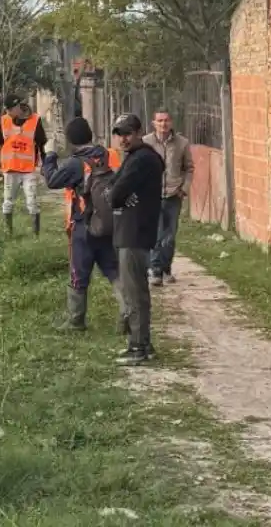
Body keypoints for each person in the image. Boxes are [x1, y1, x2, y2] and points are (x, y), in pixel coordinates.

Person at [41, 117, 122, 332]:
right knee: (113, 269)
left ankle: (76, 320)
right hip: (109, 221)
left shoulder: (74, 163)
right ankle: (128, 312)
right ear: (90, 133)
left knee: (79, 271)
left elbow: (51, 181)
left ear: (70, 140)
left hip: (84, 223)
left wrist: (49, 154)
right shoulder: (109, 154)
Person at [104, 113, 164, 366]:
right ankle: (142, 343)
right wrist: (115, 193)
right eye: (119, 133)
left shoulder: (143, 159)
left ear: (139, 132)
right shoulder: (134, 157)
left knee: (136, 293)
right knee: (134, 291)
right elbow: (112, 187)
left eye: (127, 133)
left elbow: (114, 194)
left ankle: (139, 345)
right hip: (130, 231)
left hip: (135, 233)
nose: (123, 138)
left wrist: (116, 195)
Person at [0, 95, 47, 236]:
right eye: (7, 110)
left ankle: (36, 236)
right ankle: (8, 233)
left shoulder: (35, 120)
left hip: (28, 170)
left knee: (32, 202)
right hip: (10, 169)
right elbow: (1, 137)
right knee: (8, 202)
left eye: (10, 109)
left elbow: (41, 143)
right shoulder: (5, 120)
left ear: (18, 107)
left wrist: (45, 163)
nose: (7, 112)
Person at [143, 109, 194, 285]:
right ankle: (155, 270)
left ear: (171, 122)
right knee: (155, 234)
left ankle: (166, 268)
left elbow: (189, 168)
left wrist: (184, 189)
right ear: (153, 123)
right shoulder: (146, 142)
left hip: (174, 194)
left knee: (169, 236)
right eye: (159, 121)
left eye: (166, 120)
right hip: (152, 195)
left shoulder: (182, 143)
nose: (163, 124)